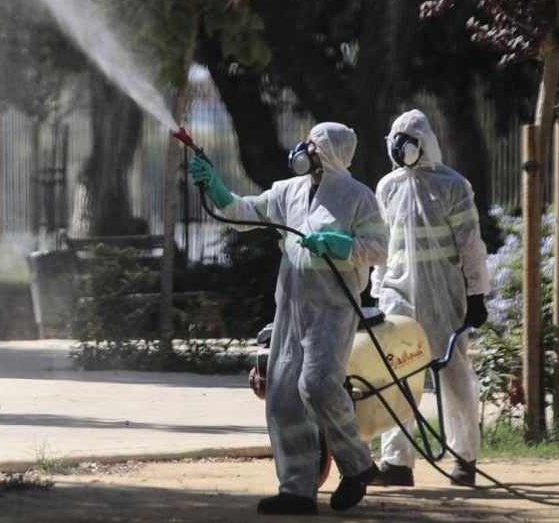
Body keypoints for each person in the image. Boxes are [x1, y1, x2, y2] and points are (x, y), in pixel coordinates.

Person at [189, 122, 387, 515]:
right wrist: (215, 186)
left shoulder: (357, 198)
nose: (302, 149)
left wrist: (341, 245)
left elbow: (378, 249)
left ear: (327, 152)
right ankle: (297, 490)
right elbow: (243, 211)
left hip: (332, 307)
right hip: (292, 304)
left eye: (311, 144)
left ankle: (358, 465)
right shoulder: (286, 191)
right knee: (281, 396)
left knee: (316, 384)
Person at [370, 109, 488, 487]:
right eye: (396, 139)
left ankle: (464, 458)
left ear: (424, 144)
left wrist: (476, 294)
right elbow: (384, 245)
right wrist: (377, 289)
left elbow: (471, 244)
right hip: (398, 294)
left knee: (453, 375)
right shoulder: (387, 186)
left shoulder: (453, 186)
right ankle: (397, 462)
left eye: (407, 139)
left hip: (443, 296)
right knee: (396, 374)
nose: (399, 147)